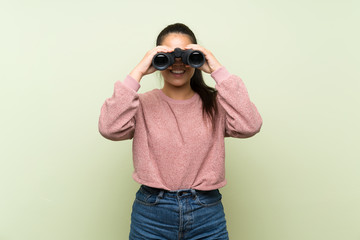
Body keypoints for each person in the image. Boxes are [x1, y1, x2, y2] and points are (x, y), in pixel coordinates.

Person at [98, 23, 262, 240]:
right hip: (151, 214)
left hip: (207, 212)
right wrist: (137, 72)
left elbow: (250, 125)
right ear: (155, 59)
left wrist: (217, 69)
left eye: (185, 55)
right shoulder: (141, 105)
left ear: (196, 56)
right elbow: (109, 128)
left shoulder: (216, 104)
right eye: (166, 55)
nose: (177, 63)